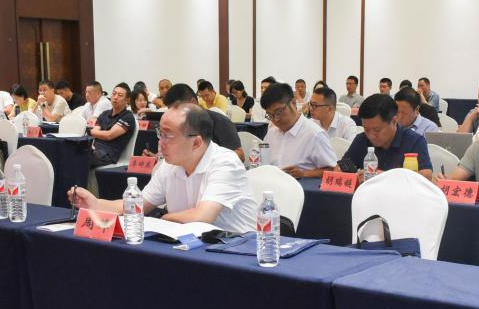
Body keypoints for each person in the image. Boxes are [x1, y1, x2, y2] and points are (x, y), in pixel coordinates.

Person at [70, 102, 256, 231]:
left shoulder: (225, 163)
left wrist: (164, 219)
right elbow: (137, 205)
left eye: (168, 136)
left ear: (196, 142)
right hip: (190, 247)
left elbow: (202, 217)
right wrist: (95, 204)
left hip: (237, 251)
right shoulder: (169, 165)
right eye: (160, 133)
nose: (160, 142)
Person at [338, 93, 432, 180]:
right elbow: (340, 168)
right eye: (366, 129)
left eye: (377, 130)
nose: (371, 136)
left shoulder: (414, 141)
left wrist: (384, 176)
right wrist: (354, 176)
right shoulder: (361, 139)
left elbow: (427, 176)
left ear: (394, 121)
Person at [258, 82, 337, 178]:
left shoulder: (314, 134)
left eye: (278, 112)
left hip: (302, 186)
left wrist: (304, 174)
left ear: (293, 102)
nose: (276, 119)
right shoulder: (272, 133)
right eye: (270, 115)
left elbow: (334, 170)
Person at [88, 82, 136, 167]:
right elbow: (95, 131)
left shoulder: (128, 117)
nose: (115, 97)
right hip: (94, 149)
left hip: (108, 154)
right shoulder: (104, 114)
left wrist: (90, 132)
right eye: (114, 94)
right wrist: (94, 132)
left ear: (127, 100)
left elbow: (109, 135)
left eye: (120, 95)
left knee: (80, 158)